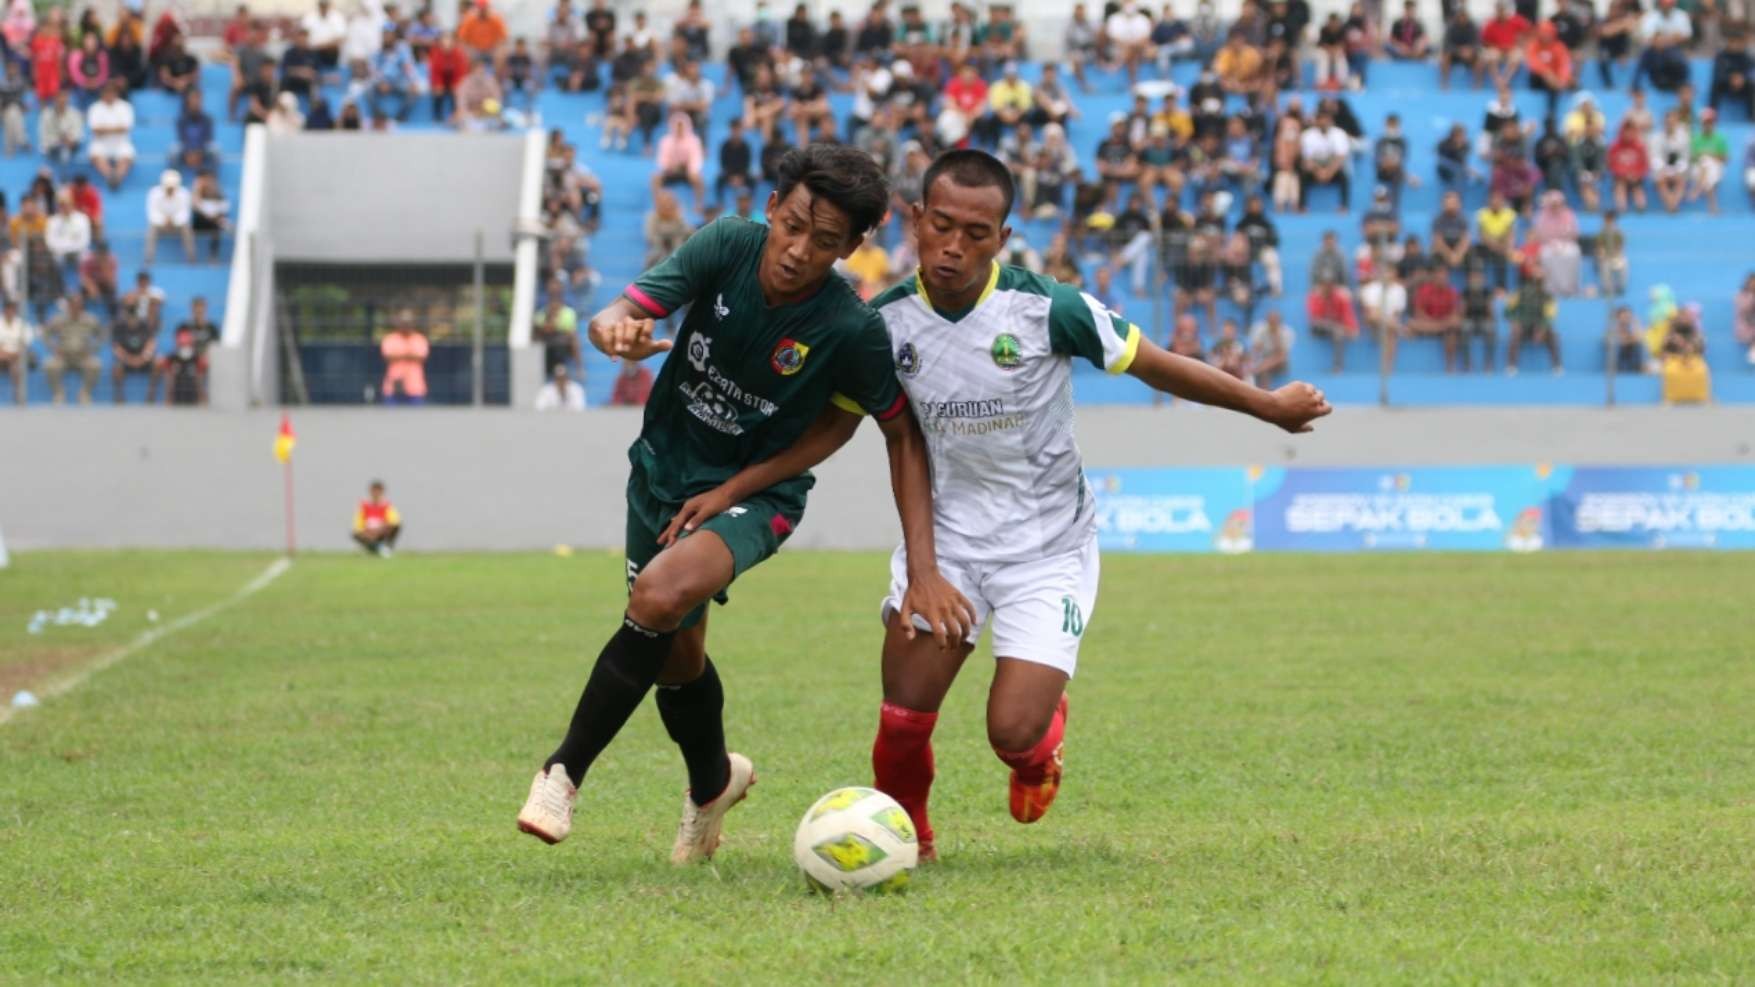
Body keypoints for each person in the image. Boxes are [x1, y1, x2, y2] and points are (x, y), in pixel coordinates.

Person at [670, 151, 1330, 859]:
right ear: (916, 221)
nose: (954, 247)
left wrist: (1267, 405)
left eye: (976, 234)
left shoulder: (1049, 309)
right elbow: (833, 427)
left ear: (1002, 238)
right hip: (948, 545)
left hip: (1046, 549)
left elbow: (1157, 363)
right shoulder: (880, 326)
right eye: (942, 226)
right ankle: (910, 844)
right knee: (902, 718)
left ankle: (1038, 747)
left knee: (1012, 732)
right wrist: (737, 488)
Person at [514, 144, 971, 863]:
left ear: (853, 246)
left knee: (659, 593)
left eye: (824, 242)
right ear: (771, 208)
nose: (797, 251)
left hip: (758, 495)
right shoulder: (727, 244)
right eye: (792, 226)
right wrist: (614, 333)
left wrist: (920, 563)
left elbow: (884, 429)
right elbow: (620, 313)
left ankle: (562, 772)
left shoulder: (849, 328)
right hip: (662, 472)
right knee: (673, 653)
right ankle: (712, 781)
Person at [43, 293, 102, 404]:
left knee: (95, 365)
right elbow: (46, 333)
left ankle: (85, 393)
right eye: (74, 304)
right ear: (69, 305)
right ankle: (58, 393)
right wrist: (53, 348)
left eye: (79, 304)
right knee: (49, 365)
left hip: (82, 356)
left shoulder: (90, 320)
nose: (77, 306)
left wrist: (93, 349)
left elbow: (101, 335)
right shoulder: (59, 319)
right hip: (63, 356)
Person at [1506, 262, 1560, 373]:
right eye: (1536, 271)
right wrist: (1514, 322)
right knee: (1515, 333)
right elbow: (1508, 311)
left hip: (1538, 328)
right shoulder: (1520, 292)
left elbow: (1550, 316)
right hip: (1523, 327)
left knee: (1553, 335)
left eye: (1540, 271)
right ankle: (1511, 366)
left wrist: (1541, 329)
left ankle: (1557, 366)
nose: (1538, 273)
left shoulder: (1548, 295)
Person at [110, 291, 158, 403]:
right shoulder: (119, 325)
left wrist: (143, 358)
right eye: (128, 306)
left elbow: (151, 343)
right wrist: (129, 359)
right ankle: (119, 397)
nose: (131, 308)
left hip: (143, 360)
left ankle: (150, 396)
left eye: (134, 305)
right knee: (116, 368)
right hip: (126, 360)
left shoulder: (145, 324)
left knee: (158, 363)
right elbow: (116, 347)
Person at [86, 83, 134, 189]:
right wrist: (115, 129)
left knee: (127, 155)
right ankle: (110, 176)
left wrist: (105, 129)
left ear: (116, 93)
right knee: (95, 154)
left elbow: (125, 128)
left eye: (111, 92)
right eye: (107, 92)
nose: (109, 95)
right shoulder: (95, 108)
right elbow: (95, 130)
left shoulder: (125, 107)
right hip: (101, 142)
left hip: (120, 142)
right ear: (102, 94)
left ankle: (116, 176)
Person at [144, 169, 196, 264]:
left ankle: (191, 258)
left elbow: (185, 214)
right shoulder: (154, 193)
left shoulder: (184, 194)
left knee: (187, 230)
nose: (170, 190)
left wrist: (173, 220)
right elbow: (152, 214)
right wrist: (164, 220)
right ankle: (149, 259)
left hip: (178, 225)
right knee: (151, 230)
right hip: (160, 225)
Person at [379, 309, 429, 405]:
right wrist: (409, 355)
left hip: (415, 387)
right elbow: (388, 357)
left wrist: (400, 355)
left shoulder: (419, 339)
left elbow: (421, 357)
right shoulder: (390, 339)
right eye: (403, 322)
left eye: (408, 323)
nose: (406, 325)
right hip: (393, 387)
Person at [1688, 108, 1730, 212]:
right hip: (1697, 169)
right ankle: (1713, 206)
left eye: (1710, 122)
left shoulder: (1720, 139)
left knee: (1708, 164)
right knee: (1705, 163)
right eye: (1705, 122)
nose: (1707, 125)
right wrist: (1707, 156)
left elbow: (1725, 159)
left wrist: (1709, 155)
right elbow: (1692, 158)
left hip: (1716, 168)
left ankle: (1698, 188)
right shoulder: (1695, 139)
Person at [352, 480, 402, 556]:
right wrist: (369, 532)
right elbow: (358, 526)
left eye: (378, 491)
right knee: (356, 534)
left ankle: (385, 547)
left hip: (382, 533)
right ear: (370, 491)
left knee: (396, 527)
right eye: (374, 491)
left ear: (382, 492)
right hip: (368, 534)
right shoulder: (364, 507)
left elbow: (394, 522)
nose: (376, 493)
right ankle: (377, 549)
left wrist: (378, 531)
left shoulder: (387, 506)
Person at [0, 298, 31, 403]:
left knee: (16, 366)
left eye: (12, 309)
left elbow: (25, 345)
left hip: (17, 356)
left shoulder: (22, 325)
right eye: (8, 309)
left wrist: (14, 355)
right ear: (4, 310)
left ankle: (18, 395)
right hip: (2, 356)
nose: (10, 312)